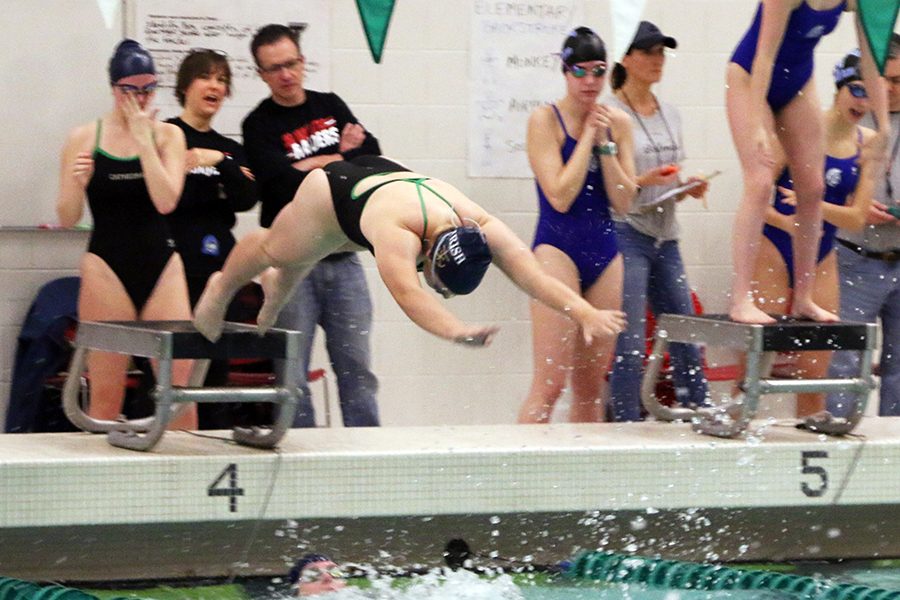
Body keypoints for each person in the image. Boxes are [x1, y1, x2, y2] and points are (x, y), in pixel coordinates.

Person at [192, 156, 627, 355]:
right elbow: (408, 294)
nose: (438, 292)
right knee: (281, 250)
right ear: (431, 256)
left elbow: (531, 275)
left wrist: (584, 312)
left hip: (381, 183)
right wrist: (455, 331)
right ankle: (222, 285)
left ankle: (277, 287)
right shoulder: (398, 233)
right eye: (440, 285)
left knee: (319, 251)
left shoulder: (481, 225)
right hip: (333, 196)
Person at [242, 24, 381, 428]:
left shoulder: (330, 105)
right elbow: (276, 184)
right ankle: (300, 457)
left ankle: (368, 454)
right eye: (274, 68)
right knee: (292, 374)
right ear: (262, 74)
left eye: (290, 64)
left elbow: (370, 160)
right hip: (293, 265)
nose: (285, 74)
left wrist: (309, 165)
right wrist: (335, 157)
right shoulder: (258, 125)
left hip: (342, 258)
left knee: (358, 369)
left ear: (302, 62)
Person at [56, 39, 196, 429]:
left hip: (161, 267)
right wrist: (77, 183)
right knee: (104, 399)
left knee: (179, 400)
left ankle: (185, 488)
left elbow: (166, 201)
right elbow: (67, 217)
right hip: (106, 268)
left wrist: (143, 141)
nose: (139, 98)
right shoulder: (84, 137)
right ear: (113, 88)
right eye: (129, 90)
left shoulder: (169, 136)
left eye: (148, 89)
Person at [726, 0, 889, 324]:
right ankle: (741, 298)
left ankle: (803, 298)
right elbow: (765, 54)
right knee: (759, 182)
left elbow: (870, 59)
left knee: (813, 188)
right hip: (750, 76)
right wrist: (759, 123)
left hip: (798, 80)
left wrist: (883, 126)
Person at [517, 27, 638, 424]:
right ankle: (514, 480)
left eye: (598, 71)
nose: (589, 82)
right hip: (555, 251)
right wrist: (586, 136)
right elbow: (559, 195)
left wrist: (605, 143)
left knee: (590, 388)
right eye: (580, 71)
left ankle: (584, 484)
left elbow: (624, 201)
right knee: (549, 386)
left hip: (604, 254)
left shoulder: (618, 124)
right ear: (565, 73)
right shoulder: (544, 120)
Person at [751, 50, 876, 416]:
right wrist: (790, 223)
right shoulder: (800, 130)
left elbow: (855, 218)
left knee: (815, 373)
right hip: (775, 245)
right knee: (758, 363)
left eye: (870, 93)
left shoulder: (867, 143)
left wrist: (810, 206)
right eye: (856, 90)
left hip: (821, 253)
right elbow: (756, 199)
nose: (863, 101)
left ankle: (811, 444)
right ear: (838, 87)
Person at [605, 21, 711, 422]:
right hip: (628, 231)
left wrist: (687, 187)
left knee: (685, 327)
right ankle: (626, 422)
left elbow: (669, 173)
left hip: (666, 235)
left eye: (661, 53)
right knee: (630, 339)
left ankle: (699, 411)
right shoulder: (611, 114)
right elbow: (612, 183)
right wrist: (641, 182)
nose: (656, 61)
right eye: (648, 53)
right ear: (627, 59)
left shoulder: (671, 114)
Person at [166, 49, 260, 429]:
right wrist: (215, 184)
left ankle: (213, 439)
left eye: (222, 80)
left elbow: (246, 197)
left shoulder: (230, 150)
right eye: (206, 77)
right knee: (174, 361)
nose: (215, 86)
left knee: (214, 362)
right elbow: (173, 198)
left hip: (219, 266)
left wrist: (218, 162)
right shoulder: (169, 135)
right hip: (174, 262)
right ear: (186, 86)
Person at [828, 33, 900, 417]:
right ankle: (840, 442)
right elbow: (812, 190)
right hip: (855, 257)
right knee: (846, 363)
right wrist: (853, 206)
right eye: (883, 81)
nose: (889, 90)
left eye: (899, 82)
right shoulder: (849, 119)